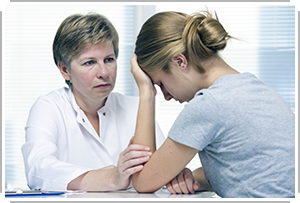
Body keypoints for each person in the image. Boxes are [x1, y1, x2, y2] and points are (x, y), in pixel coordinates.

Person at [130, 10, 295, 198]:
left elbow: (143, 181)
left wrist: (146, 93)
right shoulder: (256, 88)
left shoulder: (209, 104)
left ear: (179, 61)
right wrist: (190, 177)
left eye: (160, 84)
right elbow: (248, 168)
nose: (166, 96)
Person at [21, 13, 165, 192]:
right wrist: (112, 178)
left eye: (109, 60)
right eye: (89, 62)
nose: (104, 72)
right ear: (65, 70)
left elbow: (162, 171)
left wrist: (180, 177)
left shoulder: (136, 107)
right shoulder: (49, 107)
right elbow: (38, 169)